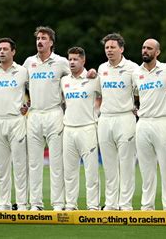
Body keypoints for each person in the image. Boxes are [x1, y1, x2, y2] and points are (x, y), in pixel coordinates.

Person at [23, 26, 70, 211]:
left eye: (43, 38)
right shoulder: (28, 62)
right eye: (38, 38)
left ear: (51, 42)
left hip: (54, 113)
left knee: (56, 162)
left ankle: (58, 203)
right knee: (34, 163)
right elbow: (19, 83)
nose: (40, 41)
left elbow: (76, 77)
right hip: (34, 114)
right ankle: (36, 203)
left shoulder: (61, 62)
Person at [132, 39, 166, 211]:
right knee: (146, 169)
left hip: (163, 122)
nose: (145, 50)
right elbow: (135, 96)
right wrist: (135, 108)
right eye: (143, 47)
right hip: (143, 123)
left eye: (149, 48)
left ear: (157, 52)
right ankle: (147, 206)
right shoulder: (136, 73)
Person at [97, 33, 139, 211]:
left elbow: (140, 91)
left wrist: (138, 107)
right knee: (109, 164)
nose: (109, 50)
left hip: (125, 118)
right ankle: (111, 204)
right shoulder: (101, 68)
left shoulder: (132, 68)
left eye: (113, 47)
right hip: (105, 118)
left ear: (121, 49)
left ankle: (125, 204)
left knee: (126, 163)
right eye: (107, 47)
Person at [61, 47, 101, 211]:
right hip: (68, 129)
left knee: (91, 171)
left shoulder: (93, 79)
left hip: (88, 128)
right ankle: (71, 205)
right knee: (69, 172)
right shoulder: (64, 81)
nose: (72, 62)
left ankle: (93, 206)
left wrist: (95, 73)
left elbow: (109, 94)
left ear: (83, 60)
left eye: (75, 59)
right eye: (70, 59)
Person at [0, 38, 29, 211]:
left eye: (5, 49)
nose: (1, 52)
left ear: (13, 51)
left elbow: (35, 89)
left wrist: (28, 106)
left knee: (20, 165)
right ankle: (4, 203)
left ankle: (22, 204)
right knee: (2, 166)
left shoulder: (23, 71)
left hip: (16, 120)